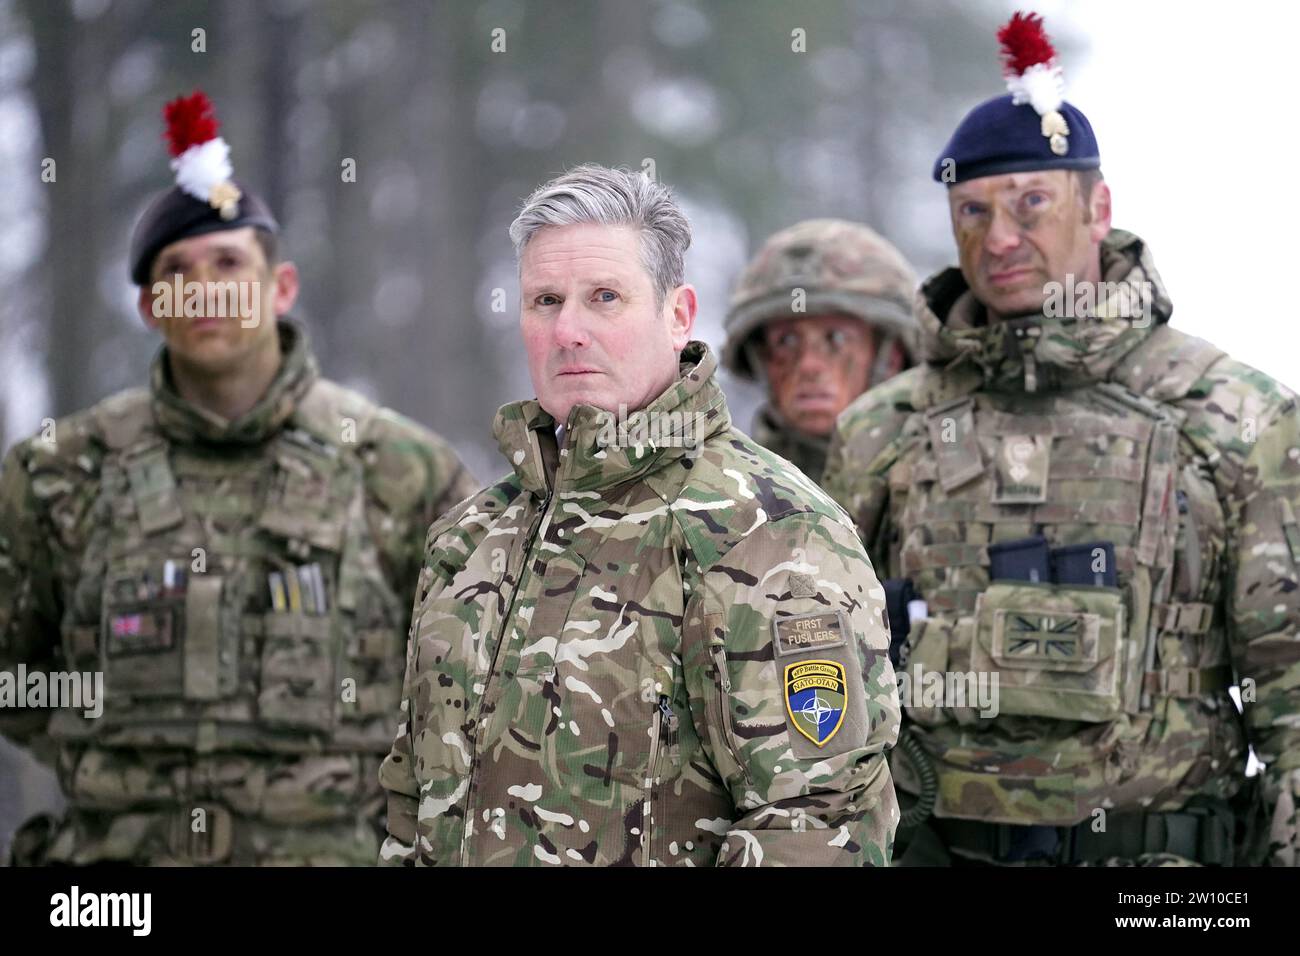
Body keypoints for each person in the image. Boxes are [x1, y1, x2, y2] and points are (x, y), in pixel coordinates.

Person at [824, 12, 1300, 866]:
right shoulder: (881, 430)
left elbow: (1293, 685)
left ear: (1099, 206)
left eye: (1032, 203)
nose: (1001, 238)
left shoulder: (1233, 415)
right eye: (973, 211)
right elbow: (819, 672)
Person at [0, 91, 478, 865]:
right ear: (153, 306)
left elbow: (465, 688)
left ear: (280, 287)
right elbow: (15, 679)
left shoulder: (397, 469)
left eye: (229, 262)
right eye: (178, 272)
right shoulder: (60, 473)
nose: (206, 287)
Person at [378, 164, 900, 866]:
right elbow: (412, 805)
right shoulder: (469, 539)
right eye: (544, 301)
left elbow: (819, 825)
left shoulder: (771, 532)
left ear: (677, 312)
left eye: (604, 298)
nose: (568, 330)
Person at [721, 219, 917, 484]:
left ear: (891, 356)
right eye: (786, 341)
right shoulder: (723, 494)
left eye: (836, 338)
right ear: (760, 359)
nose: (808, 365)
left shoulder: (942, 488)